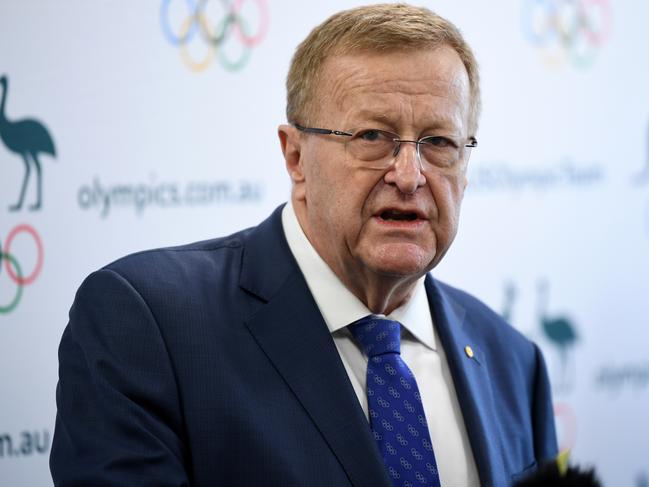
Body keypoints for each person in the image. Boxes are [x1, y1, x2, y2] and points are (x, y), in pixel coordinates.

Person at [50, 4, 558, 486]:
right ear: (295, 157)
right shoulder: (148, 324)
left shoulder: (513, 361)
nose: (409, 176)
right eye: (372, 136)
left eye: (440, 143)